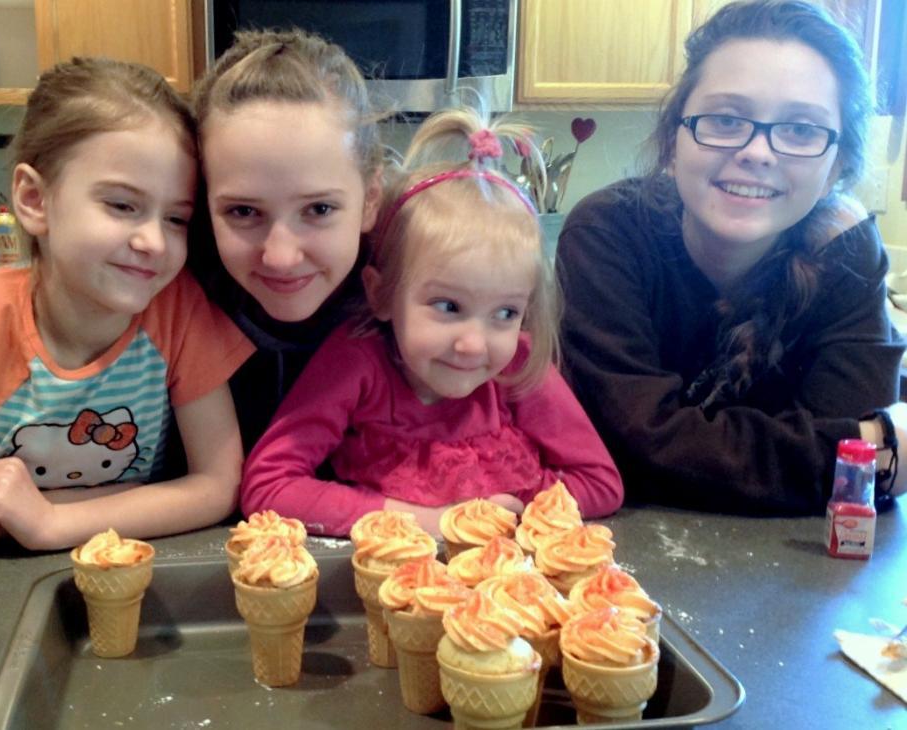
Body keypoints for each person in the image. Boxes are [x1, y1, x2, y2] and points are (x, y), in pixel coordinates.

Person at [0, 58, 253, 552]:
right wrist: (25, 520)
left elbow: (219, 484)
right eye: (122, 205)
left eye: (176, 218)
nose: (154, 242)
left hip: (111, 559)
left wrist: (52, 521)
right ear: (34, 200)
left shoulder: (177, 308)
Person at [557, 0, 907, 515]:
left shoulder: (847, 252)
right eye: (725, 119)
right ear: (675, 137)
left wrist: (856, 454)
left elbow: (851, 464)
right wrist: (871, 450)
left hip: (805, 575)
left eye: (802, 129)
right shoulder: (606, 235)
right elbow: (638, 447)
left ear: (836, 167)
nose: (758, 152)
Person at [241, 107, 625, 537]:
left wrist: (509, 516)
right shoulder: (358, 360)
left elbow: (601, 483)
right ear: (381, 294)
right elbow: (268, 486)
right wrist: (435, 523)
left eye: (505, 313)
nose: (474, 345)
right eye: (448, 306)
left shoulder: (519, 363)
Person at [189, 28, 384, 451]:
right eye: (243, 212)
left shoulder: (419, 300)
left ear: (370, 199)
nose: (280, 257)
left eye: (318, 210)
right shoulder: (174, 306)